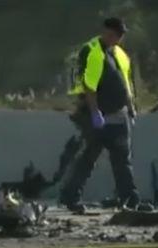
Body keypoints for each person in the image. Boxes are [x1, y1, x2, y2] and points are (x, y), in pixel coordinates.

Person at [61, 17, 139, 213]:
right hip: (97, 117)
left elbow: (126, 82)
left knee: (122, 160)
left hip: (119, 116)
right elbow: (89, 86)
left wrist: (130, 107)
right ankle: (70, 197)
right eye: (112, 34)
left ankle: (129, 199)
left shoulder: (118, 53)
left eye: (119, 36)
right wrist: (95, 113)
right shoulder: (93, 52)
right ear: (105, 31)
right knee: (88, 158)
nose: (115, 39)